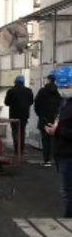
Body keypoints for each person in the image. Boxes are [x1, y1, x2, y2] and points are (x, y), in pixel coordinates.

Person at [45, 67, 72, 217]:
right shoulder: (65, 102)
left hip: (69, 155)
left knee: (68, 192)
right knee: (66, 190)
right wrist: (56, 127)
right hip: (63, 153)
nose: (62, 90)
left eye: (65, 86)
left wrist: (57, 131)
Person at [34, 73, 61, 166]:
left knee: (45, 140)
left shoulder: (42, 91)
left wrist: (40, 114)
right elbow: (61, 105)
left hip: (44, 119)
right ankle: (55, 160)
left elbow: (36, 104)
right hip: (55, 119)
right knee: (55, 140)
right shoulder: (59, 92)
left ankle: (47, 160)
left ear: (48, 80)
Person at [4, 75, 34, 154]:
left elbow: (6, 103)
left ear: (15, 82)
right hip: (24, 115)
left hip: (14, 115)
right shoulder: (28, 91)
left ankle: (16, 149)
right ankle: (21, 149)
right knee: (22, 131)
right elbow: (31, 101)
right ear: (23, 82)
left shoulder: (11, 91)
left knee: (15, 132)